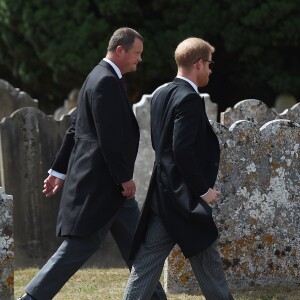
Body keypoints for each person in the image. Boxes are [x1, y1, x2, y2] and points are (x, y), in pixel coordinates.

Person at [18, 27, 166, 300]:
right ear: (120, 50)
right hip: (103, 187)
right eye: (137, 53)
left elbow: (76, 130)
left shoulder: (97, 76)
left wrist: (58, 171)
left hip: (111, 190)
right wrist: (124, 177)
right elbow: (106, 137)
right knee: (77, 248)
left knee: (139, 248)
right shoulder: (105, 81)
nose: (140, 60)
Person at [122, 37, 234, 300]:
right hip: (185, 199)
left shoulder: (160, 93)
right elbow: (181, 149)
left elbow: (159, 144)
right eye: (209, 64)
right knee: (208, 260)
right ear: (198, 64)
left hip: (162, 195)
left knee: (147, 261)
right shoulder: (189, 99)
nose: (209, 70)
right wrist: (202, 190)